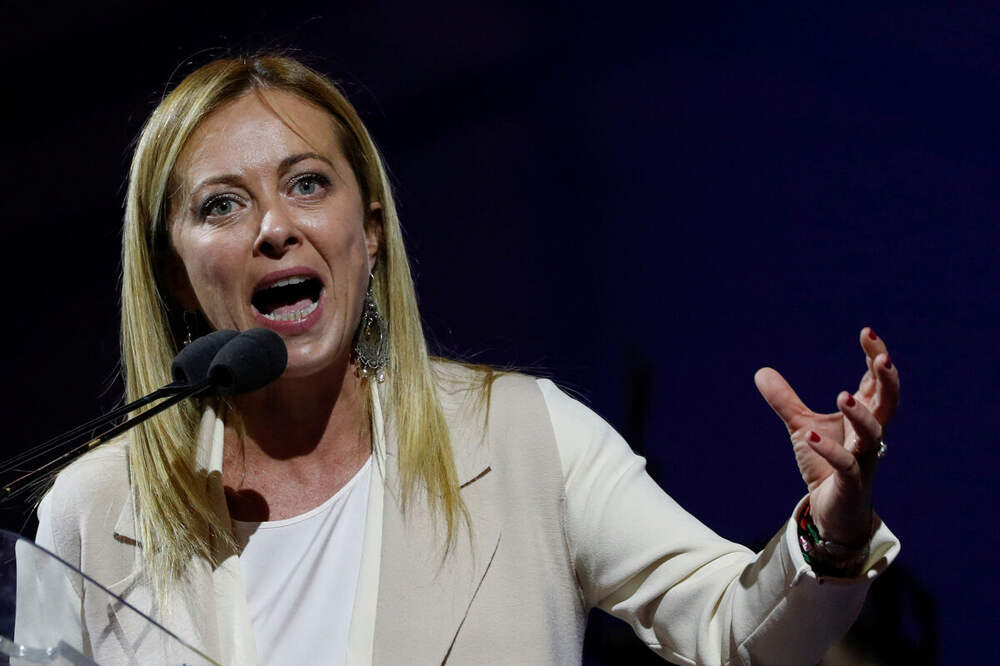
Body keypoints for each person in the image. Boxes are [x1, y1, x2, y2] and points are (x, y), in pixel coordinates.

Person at [34, 54, 900, 665]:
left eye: (307, 183)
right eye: (222, 204)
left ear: (370, 232)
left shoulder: (524, 440)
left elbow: (732, 632)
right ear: (174, 275)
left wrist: (830, 533)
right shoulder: (90, 510)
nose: (274, 227)